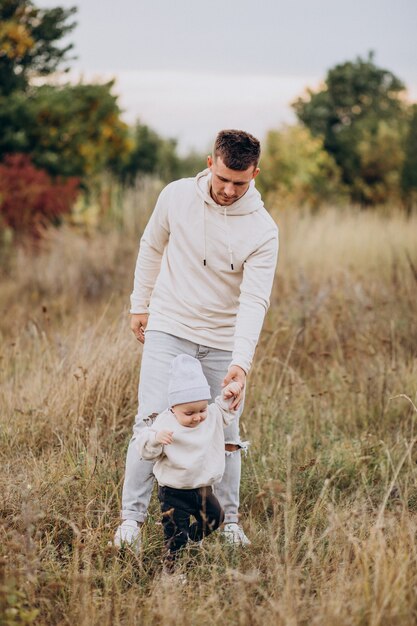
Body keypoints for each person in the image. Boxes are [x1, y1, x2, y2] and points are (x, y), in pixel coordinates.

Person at [114, 129, 279, 552]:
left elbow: (254, 300)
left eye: (240, 182)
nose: (228, 189)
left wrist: (241, 363)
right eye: (223, 177)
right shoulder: (176, 196)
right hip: (170, 323)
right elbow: (151, 246)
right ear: (211, 163)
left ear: (255, 174)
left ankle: (229, 523)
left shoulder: (263, 230)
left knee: (225, 431)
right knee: (150, 422)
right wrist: (140, 305)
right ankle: (131, 521)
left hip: (223, 339)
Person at [137, 354, 242, 572]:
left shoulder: (211, 415)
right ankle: (172, 571)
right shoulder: (164, 423)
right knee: (175, 537)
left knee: (216, 518)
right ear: (173, 407)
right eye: (189, 413)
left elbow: (224, 409)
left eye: (201, 409)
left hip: (203, 489)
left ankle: (192, 539)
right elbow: (145, 449)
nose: (197, 417)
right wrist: (156, 439)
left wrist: (228, 394)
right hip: (174, 493)